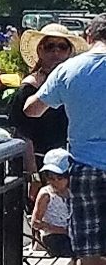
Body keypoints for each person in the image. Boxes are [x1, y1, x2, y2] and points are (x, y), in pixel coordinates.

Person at [24, 13, 106, 265]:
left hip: (85, 167)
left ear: (87, 36)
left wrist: (36, 89)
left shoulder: (70, 69)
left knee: (89, 250)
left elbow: (32, 109)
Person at [7, 23, 84, 176]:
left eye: (62, 47)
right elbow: (23, 135)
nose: (56, 51)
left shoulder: (75, 84)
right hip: (40, 165)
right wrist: (32, 174)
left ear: (69, 52)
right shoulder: (29, 88)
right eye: (50, 46)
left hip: (69, 164)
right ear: (40, 50)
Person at [30, 149, 76, 265]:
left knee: (77, 264)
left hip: (68, 235)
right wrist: (59, 229)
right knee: (61, 260)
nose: (55, 181)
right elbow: (36, 222)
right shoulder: (46, 193)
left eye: (60, 177)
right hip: (51, 236)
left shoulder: (72, 193)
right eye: (51, 177)